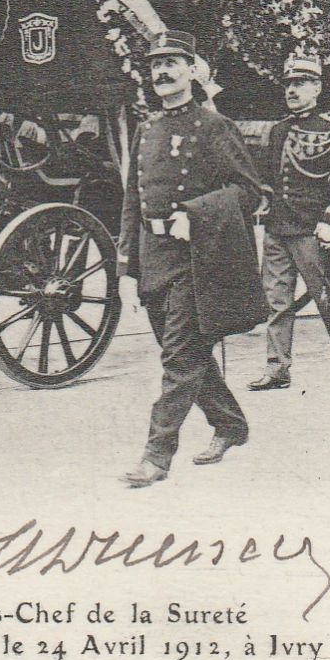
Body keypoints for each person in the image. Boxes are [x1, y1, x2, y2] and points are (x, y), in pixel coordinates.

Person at [118, 32, 265, 488]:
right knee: (186, 353)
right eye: (156, 65)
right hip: (155, 258)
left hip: (199, 261)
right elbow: (133, 201)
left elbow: (249, 192)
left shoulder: (211, 125)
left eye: (172, 63)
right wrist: (127, 265)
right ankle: (231, 424)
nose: (162, 72)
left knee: (180, 359)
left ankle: (156, 456)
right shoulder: (146, 128)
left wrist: (195, 215)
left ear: (191, 70)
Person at [252, 54, 330, 391]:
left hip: (310, 231)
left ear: (317, 88)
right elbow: (269, 178)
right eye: (289, 84)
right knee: (277, 301)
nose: (293, 90)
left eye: (300, 84)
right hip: (277, 229)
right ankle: (277, 369)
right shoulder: (278, 130)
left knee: (325, 296)